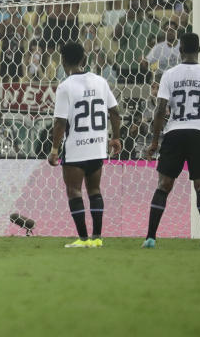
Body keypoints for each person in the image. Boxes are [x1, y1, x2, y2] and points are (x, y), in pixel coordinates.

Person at [142, 33, 200, 249]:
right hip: (198, 132)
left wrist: (154, 141)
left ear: (179, 51)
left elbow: (160, 109)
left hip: (174, 133)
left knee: (164, 185)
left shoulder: (169, 75)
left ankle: (150, 237)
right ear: (199, 50)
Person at [48, 42, 122, 248]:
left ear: (63, 61)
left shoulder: (65, 87)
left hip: (76, 148)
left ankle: (83, 239)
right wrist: (115, 137)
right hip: (98, 146)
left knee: (74, 191)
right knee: (95, 190)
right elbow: (115, 112)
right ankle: (97, 237)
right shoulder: (101, 81)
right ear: (83, 60)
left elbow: (60, 122)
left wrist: (54, 151)